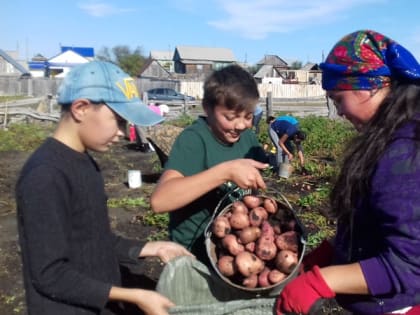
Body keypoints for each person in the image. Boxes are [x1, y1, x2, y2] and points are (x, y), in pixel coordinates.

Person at [15, 61, 194, 315]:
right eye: (118, 121)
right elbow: (49, 274)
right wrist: (132, 295)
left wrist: (150, 248)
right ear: (81, 108)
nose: (123, 132)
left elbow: (93, 239)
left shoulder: (86, 163)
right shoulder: (45, 176)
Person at [275, 30, 420, 315]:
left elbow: (411, 265)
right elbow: (376, 223)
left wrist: (320, 282)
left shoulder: (406, 153)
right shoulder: (388, 138)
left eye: (338, 98)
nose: (338, 111)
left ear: (370, 86)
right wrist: (333, 251)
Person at [150, 65, 269, 264]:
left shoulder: (248, 138)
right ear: (207, 108)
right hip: (194, 255)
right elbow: (159, 201)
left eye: (248, 117)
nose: (241, 125)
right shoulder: (195, 140)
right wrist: (226, 171)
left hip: (233, 252)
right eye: (230, 117)